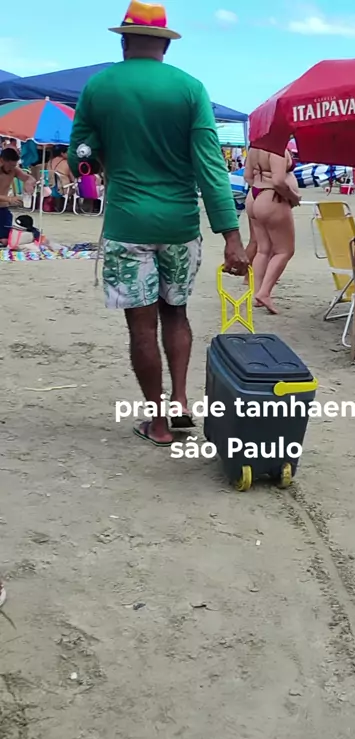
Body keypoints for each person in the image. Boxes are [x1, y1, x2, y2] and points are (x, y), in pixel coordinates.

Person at [68, 1, 248, 448]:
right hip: (180, 225)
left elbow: (79, 158)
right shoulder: (190, 89)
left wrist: (102, 160)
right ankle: (181, 397)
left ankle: (159, 421)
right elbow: (210, 168)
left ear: (124, 41)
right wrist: (231, 236)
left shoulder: (99, 87)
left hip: (128, 223)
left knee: (141, 326)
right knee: (176, 314)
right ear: (165, 46)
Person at [244, 146, 301, 314]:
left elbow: (248, 176)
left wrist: (260, 186)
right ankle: (264, 293)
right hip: (272, 196)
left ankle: (257, 293)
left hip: (254, 195)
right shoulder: (276, 148)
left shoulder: (254, 148)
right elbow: (278, 182)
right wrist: (294, 197)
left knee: (263, 250)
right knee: (285, 251)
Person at [0, 148, 36, 245]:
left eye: (14, 165)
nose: (12, 168)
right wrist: (9, 199)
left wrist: (29, 183)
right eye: (10, 165)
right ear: (2, 160)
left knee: (6, 240)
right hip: (5, 202)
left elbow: (30, 178)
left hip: (3, 209)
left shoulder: (14, 170)